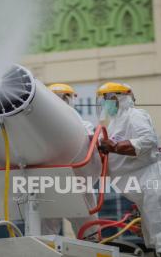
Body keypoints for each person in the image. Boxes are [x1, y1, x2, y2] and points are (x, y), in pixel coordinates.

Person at [96, 82, 161, 257]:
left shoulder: (134, 115)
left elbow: (147, 140)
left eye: (108, 98)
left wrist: (114, 146)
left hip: (154, 179)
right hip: (142, 183)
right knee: (153, 236)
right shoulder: (114, 124)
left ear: (120, 97)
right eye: (103, 99)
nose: (105, 103)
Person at [47, 83, 101, 238]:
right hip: (74, 180)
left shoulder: (80, 124)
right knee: (88, 230)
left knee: (45, 231)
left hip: (48, 181)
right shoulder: (81, 123)